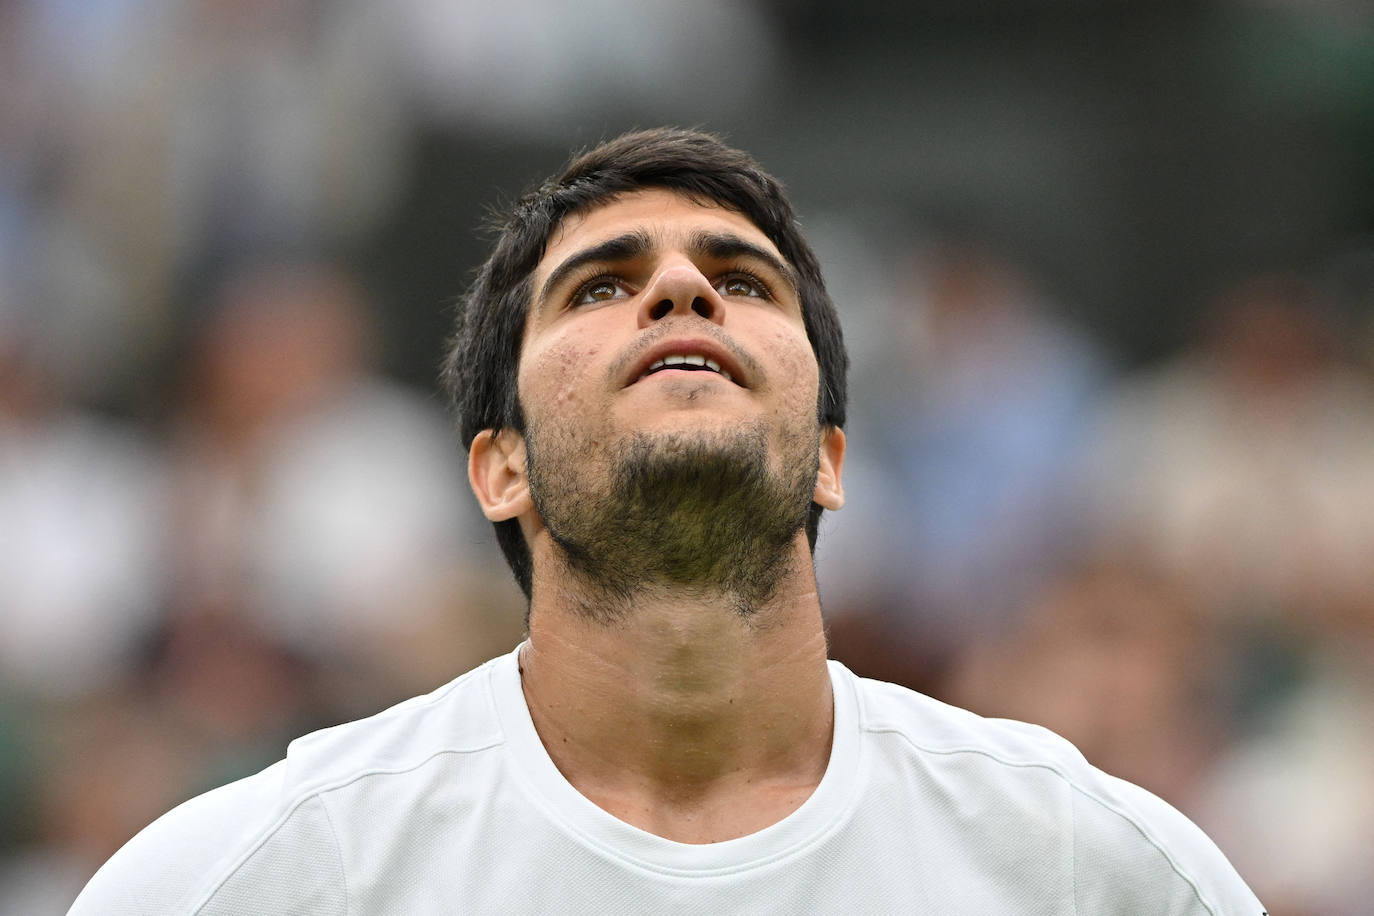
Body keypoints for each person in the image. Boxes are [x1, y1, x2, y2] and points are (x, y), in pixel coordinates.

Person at [70, 128, 1263, 914]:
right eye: (600, 286)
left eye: (744, 282)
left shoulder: (1088, 868)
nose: (683, 290)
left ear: (830, 460)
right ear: (501, 469)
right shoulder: (252, 879)